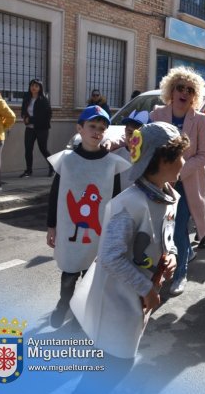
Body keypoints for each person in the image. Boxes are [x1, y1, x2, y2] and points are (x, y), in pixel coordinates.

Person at [70, 122, 187, 393]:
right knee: (114, 367)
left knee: (110, 368)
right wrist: (147, 289)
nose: (184, 161)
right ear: (163, 159)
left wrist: (171, 255)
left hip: (136, 302)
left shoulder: (170, 197)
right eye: (180, 155)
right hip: (114, 302)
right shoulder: (129, 204)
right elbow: (110, 256)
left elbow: (166, 237)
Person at [46, 105, 130, 328]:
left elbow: (116, 199)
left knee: (91, 277)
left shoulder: (112, 163)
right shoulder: (67, 160)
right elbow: (56, 195)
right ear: (79, 129)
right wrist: (51, 226)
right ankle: (63, 303)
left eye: (102, 128)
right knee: (69, 272)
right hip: (68, 231)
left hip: (98, 233)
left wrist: (116, 232)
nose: (97, 131)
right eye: (92, 126)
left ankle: (79, 313)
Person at [150, 66, 205, 296]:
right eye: (179, 88)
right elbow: (146, 144)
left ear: (194, 95)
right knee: (158, 229)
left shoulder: (199, 119)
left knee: (177, 230)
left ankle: (180, 273)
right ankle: (161, 269)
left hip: (186, 186)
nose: (184, 92)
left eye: (189, 89)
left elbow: (204, 155)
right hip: (159, 184)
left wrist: (179, 172)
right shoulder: (157, 114)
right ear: (171, 90)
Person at [20, 78, 53, 178]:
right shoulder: (26, 98)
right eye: (32, 86)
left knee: (43, 149)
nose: (33, 88)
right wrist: (24, 117)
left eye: (36, 86)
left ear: (40, 88)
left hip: (41, 129)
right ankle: (28, 171)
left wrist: (30, 120)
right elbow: (23, 111)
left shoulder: (43, 100)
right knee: (28, 149)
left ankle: (52, 168)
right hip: (29, 129)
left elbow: (45, 116)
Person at [114, 110, 151, 189]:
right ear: (125, 131)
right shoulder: (117, 155)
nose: (132, 138)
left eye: (138, 134)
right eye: (130, 132)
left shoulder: (151, 158)